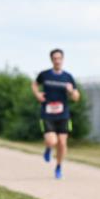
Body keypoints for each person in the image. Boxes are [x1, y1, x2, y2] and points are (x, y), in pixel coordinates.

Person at [32, 49, 80, 179]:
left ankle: (58, 167)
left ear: (63, 59)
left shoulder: (68, 77)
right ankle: (48, 149)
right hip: (47, 113)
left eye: (59, 58)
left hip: (63, 114)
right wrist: (37, 94)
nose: (57, 61)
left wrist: (71, 92)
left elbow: (76, 97)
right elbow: (34, 84)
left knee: (62, 144)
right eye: (55, 58)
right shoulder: (45, 75)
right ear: (51, 60)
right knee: (52, 141)